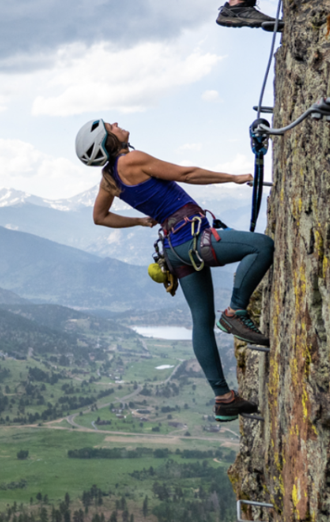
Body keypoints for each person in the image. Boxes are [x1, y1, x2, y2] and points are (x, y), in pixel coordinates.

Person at [75, 118, 274, 421]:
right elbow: (186, 174)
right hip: (192, 237)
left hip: (175, 249)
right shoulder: (132, 160)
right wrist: (232, 177)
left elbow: (99, 217)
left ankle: (223, 398)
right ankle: (235, 312)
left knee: (201, 321)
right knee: (261, 246)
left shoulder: (109, 179)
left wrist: (140, 221)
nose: (116, 123)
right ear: (109, 142)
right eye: (109, 126)